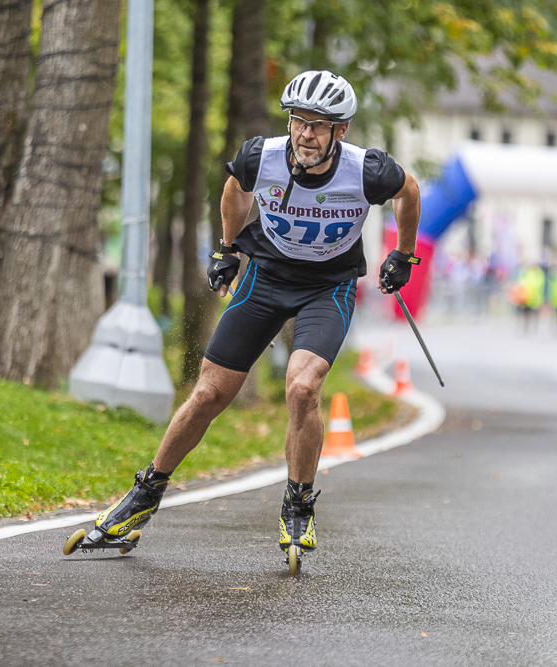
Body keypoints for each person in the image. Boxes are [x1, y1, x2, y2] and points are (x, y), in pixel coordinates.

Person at [69, 70, 421, 568]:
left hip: (328, 286)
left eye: (318, 126)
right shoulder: (264, 155)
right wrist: (228, 249)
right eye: (299, 122)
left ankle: (298, 506)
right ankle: (144, 495)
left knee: (302, 387)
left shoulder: (368, 170)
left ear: (340, 131)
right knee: (210, 392)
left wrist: (403, 255)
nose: (305, 134)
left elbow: (409, 191)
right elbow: (234, 190)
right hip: (267, 279)